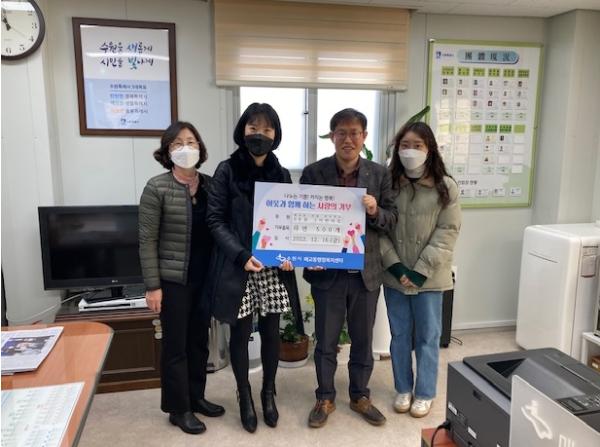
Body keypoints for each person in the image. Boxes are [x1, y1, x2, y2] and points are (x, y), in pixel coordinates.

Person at [206, 103, 304, 433]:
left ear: (276, 134)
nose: (259, 134)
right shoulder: (226, 170)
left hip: (272, 266)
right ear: (242, 131)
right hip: (239, 265)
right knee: (241, 330)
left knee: (272, 330)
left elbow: (289, 221)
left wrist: (289, 253)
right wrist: (240, 255)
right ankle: (244, 393)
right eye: (253, 127)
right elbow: (215, 220)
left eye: (266, 129)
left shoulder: (281, 173)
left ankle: (268, 392)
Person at [300, 108, 397, 428]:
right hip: (327, 273)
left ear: (364, 137)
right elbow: (302, 221)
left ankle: (360, 395)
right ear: (332, 136)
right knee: (326, 341)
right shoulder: (314, 173)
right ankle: (325, 397)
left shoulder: (379, 175)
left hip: (365, 273)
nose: (348, 139)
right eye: (341, 132)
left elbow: (392, 219)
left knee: (363, 340)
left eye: (354, 133)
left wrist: (375, 210)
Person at [138, 121, 225, 435]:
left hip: (205, 278)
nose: (185, 148)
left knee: (199, 342)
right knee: (176, 346)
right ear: (167, 151)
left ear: (200, 147)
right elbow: (146, 240)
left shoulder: (211, 185)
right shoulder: (156, 187)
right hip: (173, 281)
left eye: (191, 141)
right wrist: (153, 286)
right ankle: (178, 408)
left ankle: (196, 397)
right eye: (177, 143)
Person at [380, 121, 461, 418]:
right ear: (396, 149)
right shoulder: (388, 184)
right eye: (405, 145)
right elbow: (378, 229)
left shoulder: (445, 186)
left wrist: (420, 270)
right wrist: (396, 265)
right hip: (395, 275)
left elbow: (448, 231)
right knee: (399, 335)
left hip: (430, 277)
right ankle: (403, 388)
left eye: (417, 145)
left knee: (428, 336)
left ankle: (425, 393)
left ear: (430, 150)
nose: (410, 151)